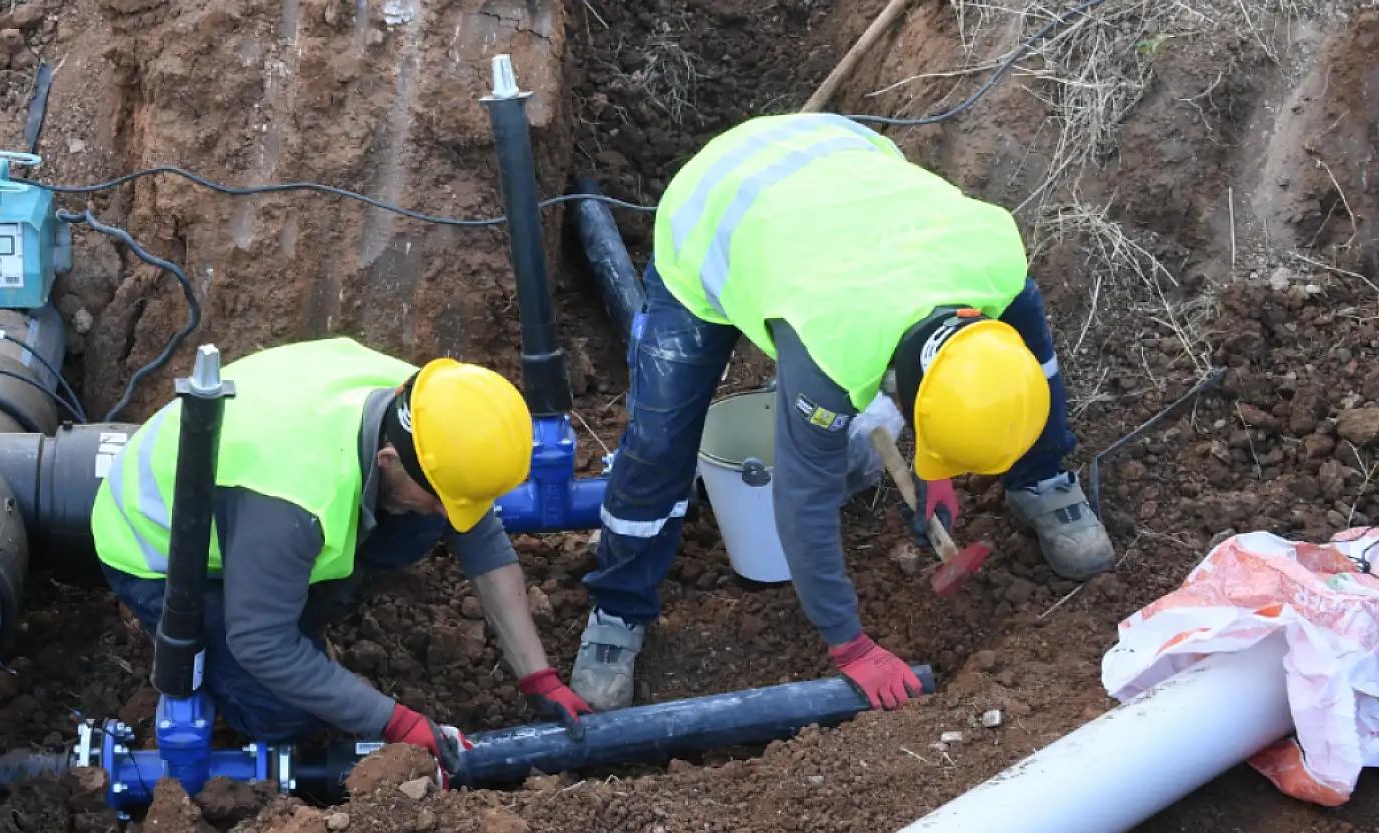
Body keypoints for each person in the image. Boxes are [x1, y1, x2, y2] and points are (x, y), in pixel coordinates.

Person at [570, 112, 1116, 713]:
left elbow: (990, 380)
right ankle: (618, 608)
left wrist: (935, 466)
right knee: (660, 439)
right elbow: (801, 500)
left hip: (841, 157)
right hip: (714, 211)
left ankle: (1042, 481)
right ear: (901, 390)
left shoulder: (996, 260)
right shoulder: (832, 347)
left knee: (1034, 362)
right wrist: (850, 647)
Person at [90, 336, 594, 781]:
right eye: (442, 496)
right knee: (287, 715)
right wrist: (398, 723)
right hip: (159, 553)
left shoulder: (425, 406)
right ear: (388, 460)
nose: (450, 516)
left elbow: (479, 532)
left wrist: (538, 676)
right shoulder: (295, 501)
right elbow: (261, 642)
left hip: (265, 520)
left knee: (421, 521)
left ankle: (302, 604)